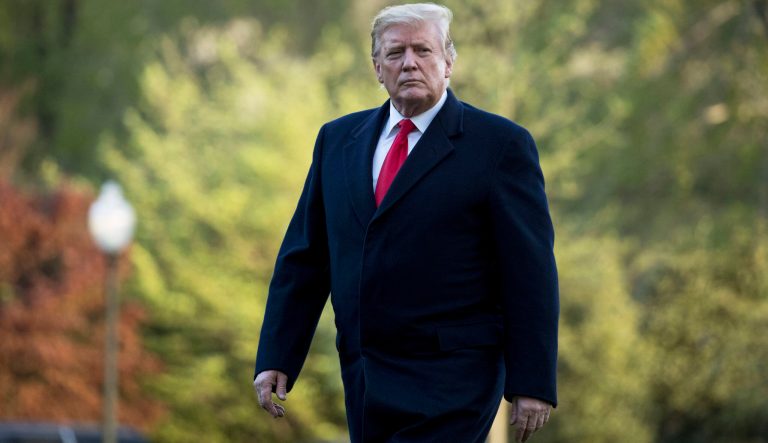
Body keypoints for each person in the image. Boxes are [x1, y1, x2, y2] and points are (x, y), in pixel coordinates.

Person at [253, 3, 559, 442]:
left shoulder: (500, 146)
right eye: (395, 53)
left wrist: (532, 381)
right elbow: (305, 258)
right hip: (364, 375)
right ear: (377, 67)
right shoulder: (337, 141)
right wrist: (277, 356)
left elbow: (530, 272)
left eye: (423, 50)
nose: (409, 62)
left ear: (448, 61)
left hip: (455, 378)